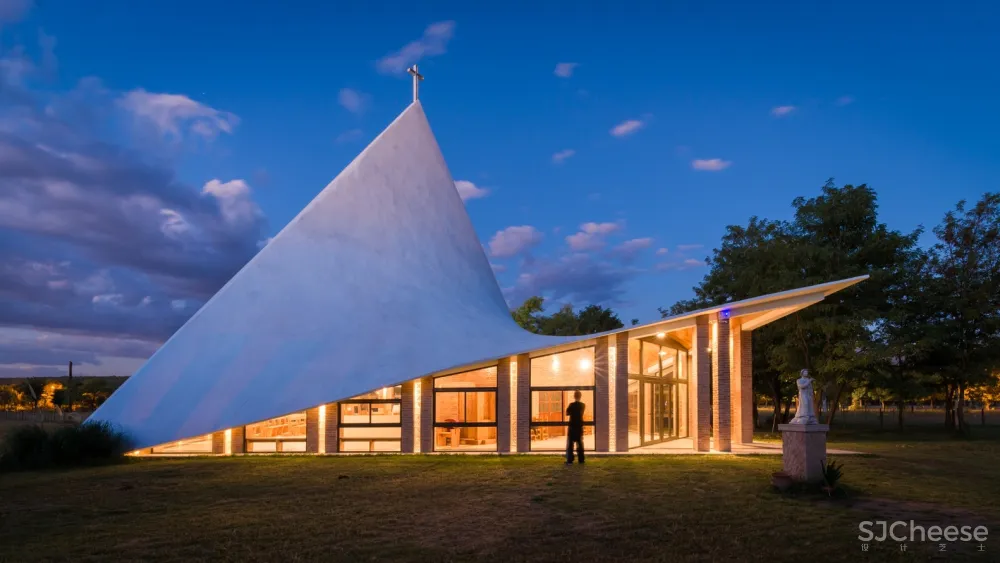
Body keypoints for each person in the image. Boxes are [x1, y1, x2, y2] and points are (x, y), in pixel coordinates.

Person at [565, 390, 585, 464]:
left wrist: (571, 412)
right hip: (579, 426)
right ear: (580, 396)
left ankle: (570, 459)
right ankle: (581, 459)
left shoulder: (571, 405)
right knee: (580, 443)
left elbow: (567, 413)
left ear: (574, 396)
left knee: (570, 444)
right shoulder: (583, 405)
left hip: (572, 426)